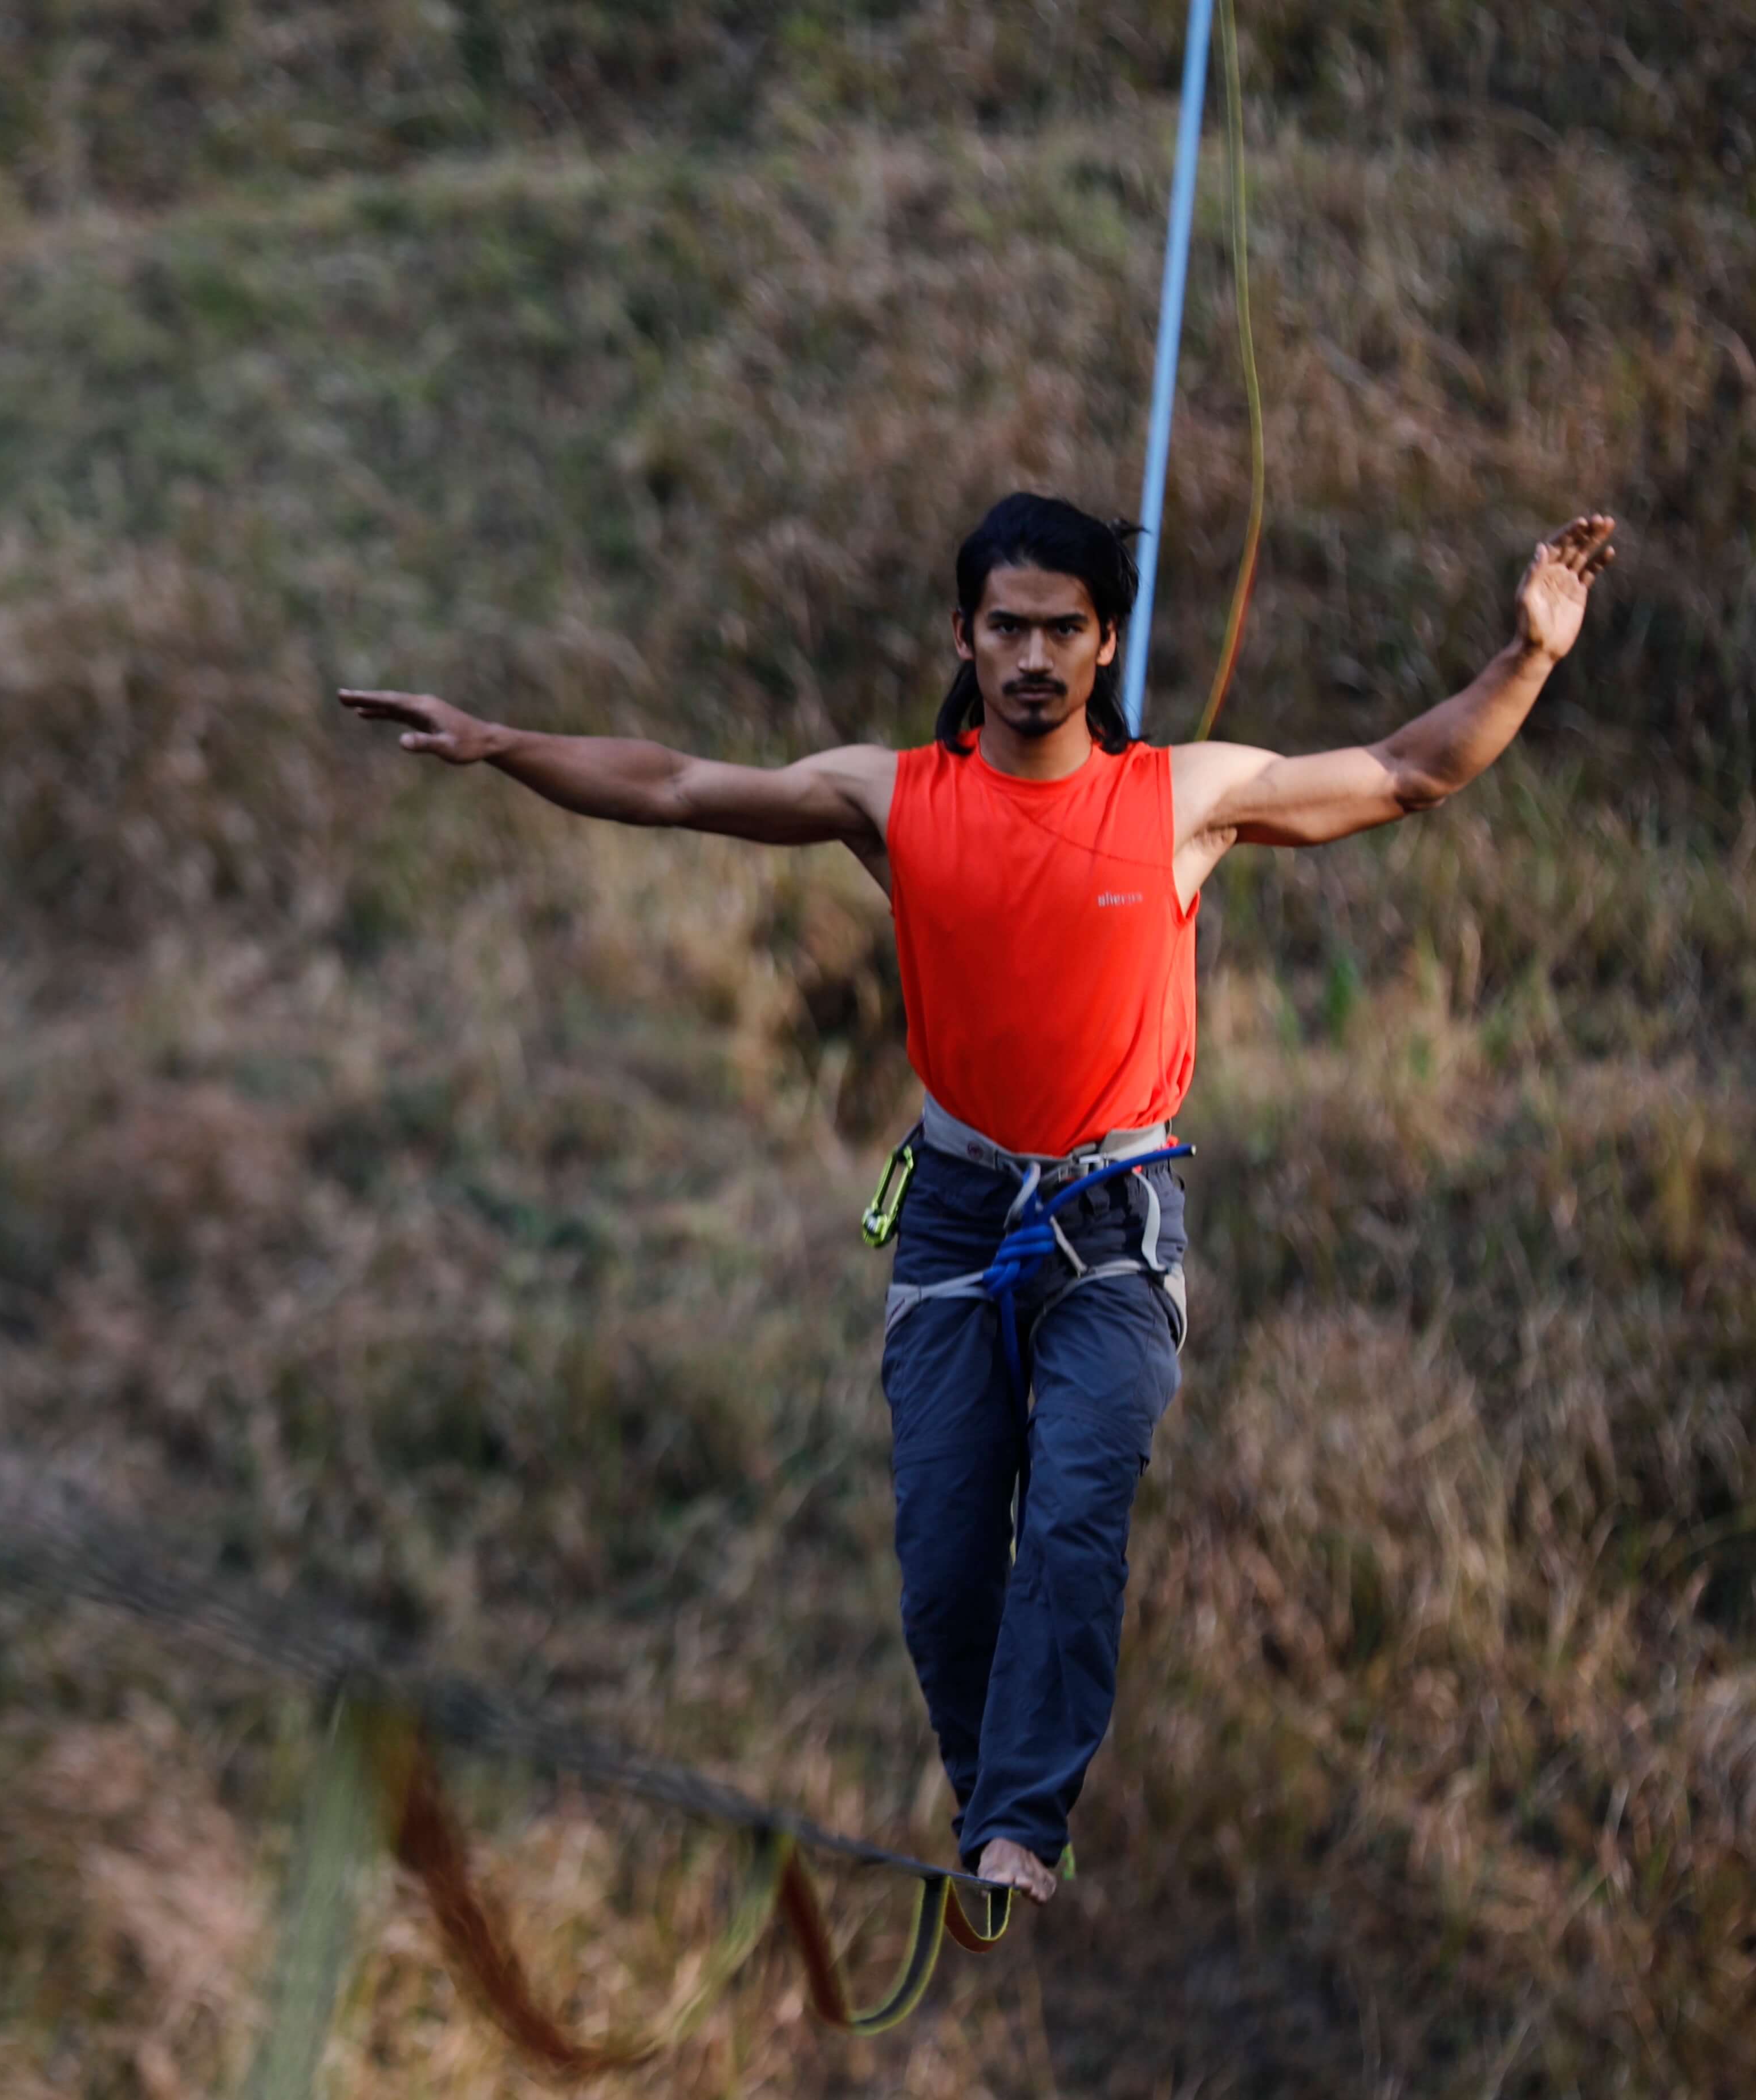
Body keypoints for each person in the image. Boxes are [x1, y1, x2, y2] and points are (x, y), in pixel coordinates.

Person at [339, 493, 1619, 1902]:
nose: (1031, 656)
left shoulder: (1181, 799)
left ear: (1104, 641)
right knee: (947, 1565)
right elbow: (677, 784)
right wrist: (500, 743)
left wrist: (1527, 656)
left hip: (1113, 1216)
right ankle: (982, 1813)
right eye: (1006, 626)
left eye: (1062, 629)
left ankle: (1021, 1821)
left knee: (1073, 1512)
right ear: (963, 634)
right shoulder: (892, 798)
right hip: (955, 1210)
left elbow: (1403, 771)